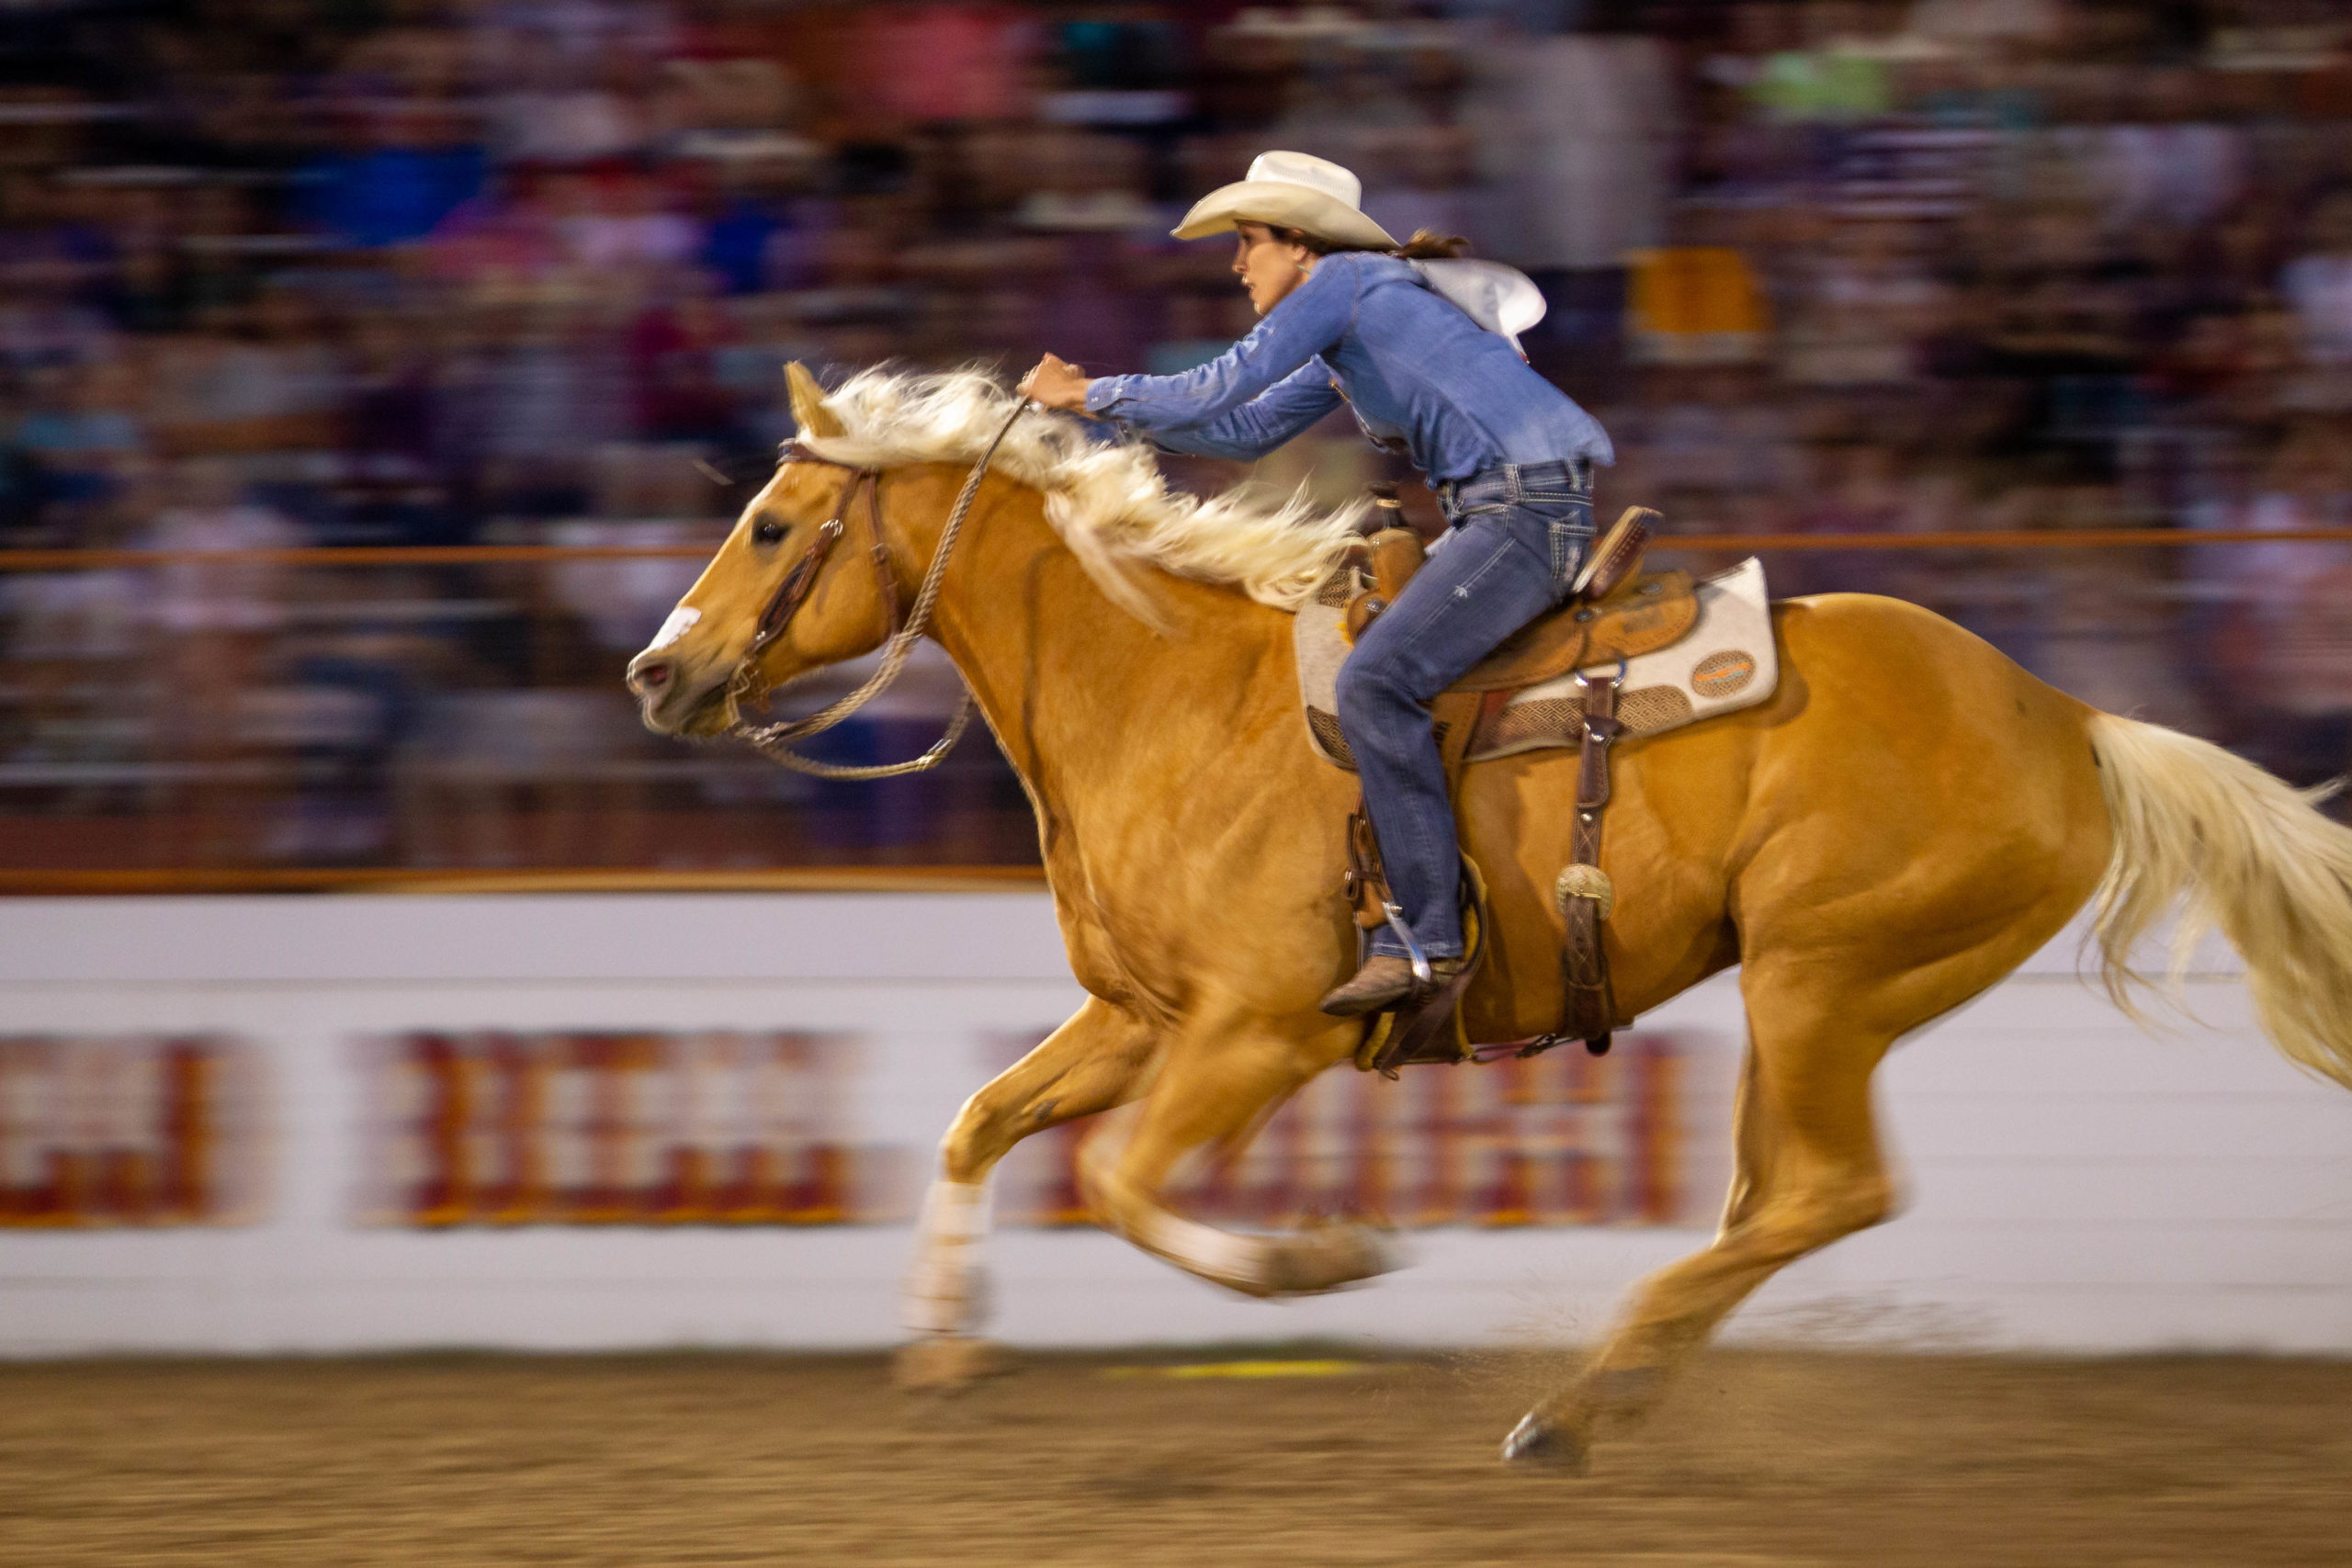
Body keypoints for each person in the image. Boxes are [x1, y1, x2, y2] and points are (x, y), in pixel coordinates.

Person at [1020, 151, 1613, 1017]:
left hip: (1522, 512)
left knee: (1375, 681)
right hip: (1513, 506)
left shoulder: (1348, 282)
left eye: (1248, 241)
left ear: (1300, 245)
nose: (1236, 262)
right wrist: (1100, 417)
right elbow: (1247, 428)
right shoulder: (1357, 315)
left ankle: (1425, 939)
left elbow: (1223, 383)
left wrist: (1090, 389)